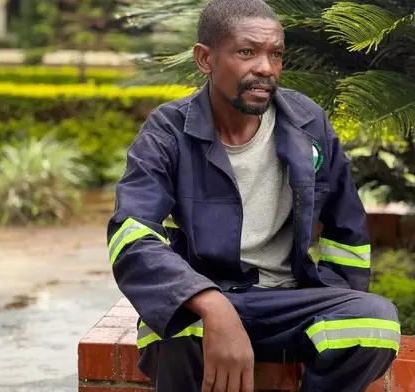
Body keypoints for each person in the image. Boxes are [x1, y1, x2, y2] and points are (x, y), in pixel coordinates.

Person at [107, 0, 400, 391]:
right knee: (175, 336)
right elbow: (131, 236)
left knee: (374, 324)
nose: (265, 68)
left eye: (275, 54)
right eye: (247, 52)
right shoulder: (167, 132)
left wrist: (336, 295)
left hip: (291, 301)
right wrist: (210, 302)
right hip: (200, 301)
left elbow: (347, 228)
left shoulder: (309, 122)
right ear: (205, 59)